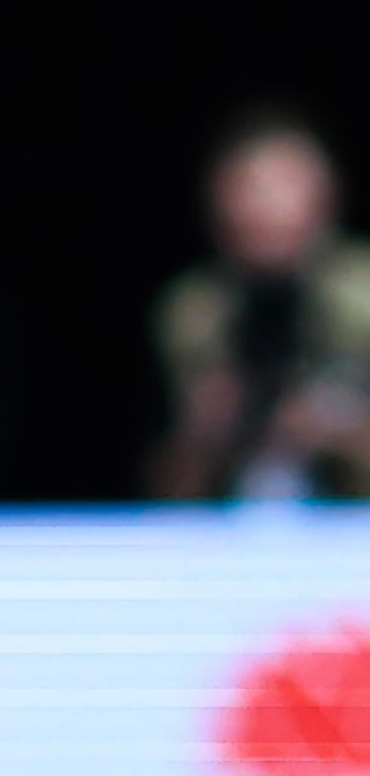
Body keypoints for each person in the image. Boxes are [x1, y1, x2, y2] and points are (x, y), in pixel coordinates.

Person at [153, 107, 370, 503]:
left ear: (326, 197)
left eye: (284, 184)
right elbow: (168, 493)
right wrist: (204, 434)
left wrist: (335, 425)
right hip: (230, 521)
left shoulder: (362, 295)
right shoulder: (196, 311)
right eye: (249, 187)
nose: (266, 206)